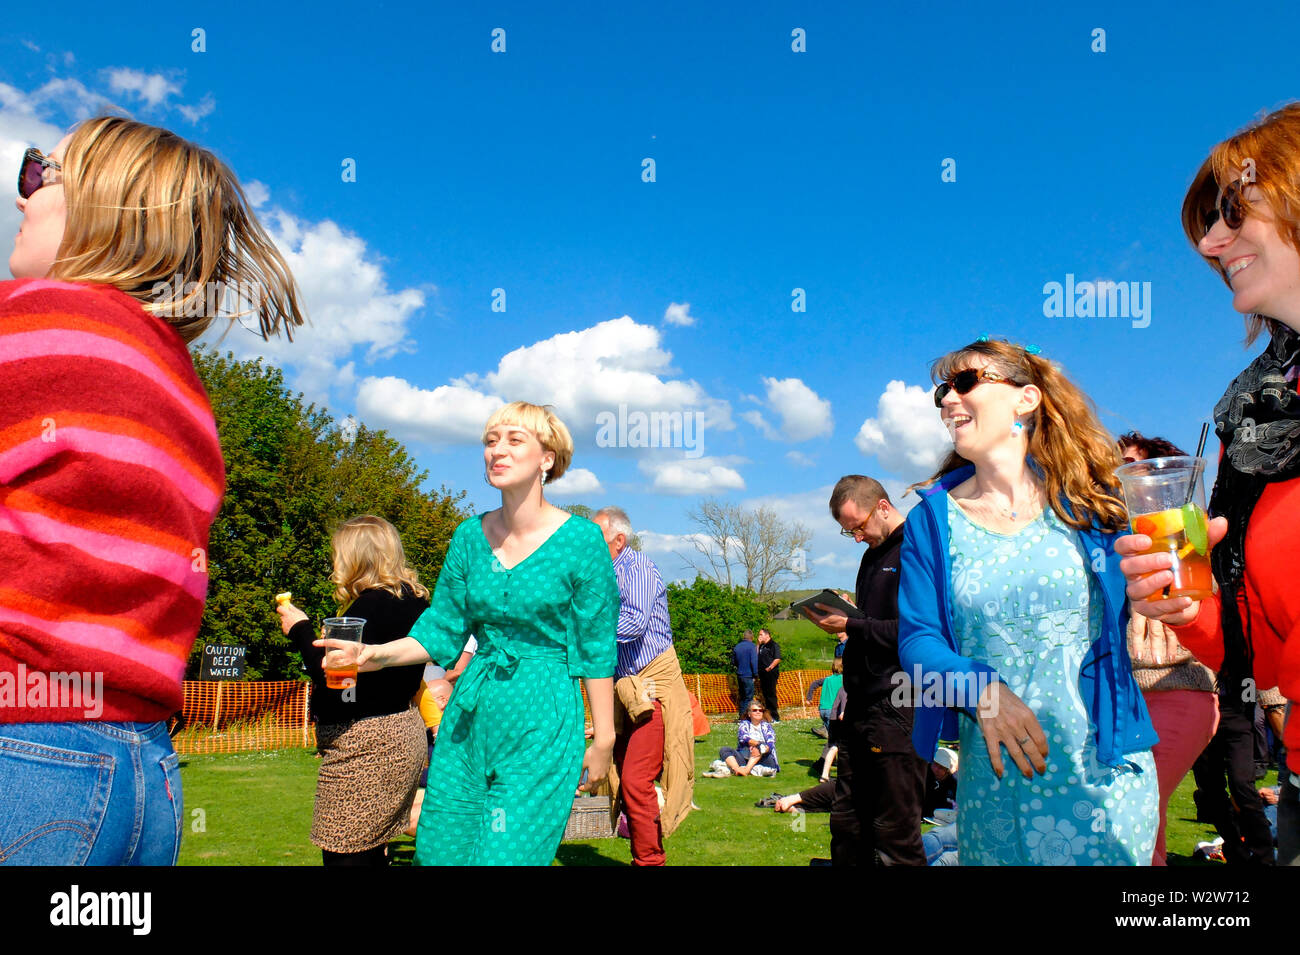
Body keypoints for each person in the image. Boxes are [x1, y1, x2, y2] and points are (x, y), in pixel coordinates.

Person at [0, 116, 303, 864]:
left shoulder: (28, 323)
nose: (22, 196)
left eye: (41, 173)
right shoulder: (180, 389)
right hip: (145, 775)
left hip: (22, 747)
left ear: (103, 207)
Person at [318, 402, 618, 866]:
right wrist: (371, 655)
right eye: (490, 440)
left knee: (504, 855)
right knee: (441, 853)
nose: (496, 450)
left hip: (544, 712)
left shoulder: (582, 541)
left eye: (514, 440)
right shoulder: (467, 537)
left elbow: (596, 646)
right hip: (468, 718)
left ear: (547, 458)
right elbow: (440, 630)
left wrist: (604, 739)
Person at [1119, 103, 1300, 867]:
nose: (1208, 242)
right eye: (1205, 223)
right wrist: (1185, 607)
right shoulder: (1250, 420)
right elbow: (1246, 635)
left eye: (1232, 211)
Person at [899, 338, 1159, 865]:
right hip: (996, 786)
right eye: (942, 392)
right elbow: (918, 639)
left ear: (1027, 399)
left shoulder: (1092, 502)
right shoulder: (931, 521)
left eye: (967, 382)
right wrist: (982, 690)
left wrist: (1164, 597)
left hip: (1102, 774)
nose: (949, 400)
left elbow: (1151, 589)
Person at [277, 516, 430, 866]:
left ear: (355, 557)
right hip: (400, 733)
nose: (336, 563)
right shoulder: (416, 602)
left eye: (339, 554)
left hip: (366, 744)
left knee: (346, 855)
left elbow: (337, 675)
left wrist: (300, 629)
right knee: (372, 851)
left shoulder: (368, 607)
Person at [801, 475, 927, 866]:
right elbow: (877, 620)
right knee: (847, 821)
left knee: (894, 831)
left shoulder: (917, 548)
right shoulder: (872, 555)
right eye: (847, 531)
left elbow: (919, 630)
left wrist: (851, 625)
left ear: (883, 507)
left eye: (858, 527)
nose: (856, 537)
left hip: (900, 703)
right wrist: (848, 613)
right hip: (860, 705)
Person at [1119, 434, 1221, 866]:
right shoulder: (1113, 535)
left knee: (1136, 812)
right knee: (1139, 818)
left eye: (1128, 463)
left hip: (1181, 689)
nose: (1115, 471)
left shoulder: (1189, 531)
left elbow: (1211, 601)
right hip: (1125, 696)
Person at [592, 505, 694, 867]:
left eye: (597, 539)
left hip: (653, 691)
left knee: (636, 779)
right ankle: (641, 844)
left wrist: (583, 628)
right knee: (619, 775)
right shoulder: (603, 574)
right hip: (626, 691)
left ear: (619, 540)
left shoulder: (638, 568)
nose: (591, 546)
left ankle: (650, 861)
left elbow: (634, 623)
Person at [705, 703, 779, 777]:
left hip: (762, 758)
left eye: (760, 710)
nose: (758, 712)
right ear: (749, 714)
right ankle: (738, 770)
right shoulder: (744, 724)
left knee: (760, 749)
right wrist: (757, 744)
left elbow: (770, 744)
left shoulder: (767, 726)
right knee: (724, 750)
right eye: (755, 710)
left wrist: (760, 748)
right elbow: (743, 738)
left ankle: (743, 770)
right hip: (744, 758)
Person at [805, 658, 845, 735]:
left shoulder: (827, 679)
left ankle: (827, 734)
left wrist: (809, 698)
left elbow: (814, 684)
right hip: (833, 711)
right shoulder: (843, 679)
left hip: (822, 710)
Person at [757, 628, 782, 721]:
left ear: (767, 635)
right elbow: (755, 655)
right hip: (762, 673)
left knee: (771, 694)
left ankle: (775, 716)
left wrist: (770, 667)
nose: (759, 637)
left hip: (770, 673)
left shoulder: (773, 645)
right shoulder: (761, 646)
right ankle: (768, 716)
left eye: (761, 634)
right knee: (765, 695)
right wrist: (758, 644)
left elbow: (777, 658)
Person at [733, 630, 759, 721]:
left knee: (742, 697)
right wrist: (755, 675)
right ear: (752, 638)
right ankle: (747, 717)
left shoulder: (737, 647)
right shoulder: (752, 647)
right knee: (749, 697)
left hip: (740, 675)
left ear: (744, 637)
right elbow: (754, 662)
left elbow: (734, 662)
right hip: (749, 675)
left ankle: (741, 716)